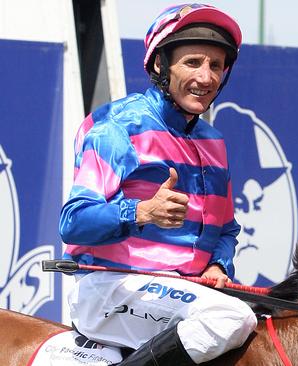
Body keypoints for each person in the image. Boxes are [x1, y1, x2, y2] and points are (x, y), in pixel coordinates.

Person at [59, 4, 257, 366]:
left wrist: (218, 266)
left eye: (216, 65)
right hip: (108, 290)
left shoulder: (215, 143)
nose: (207, 76)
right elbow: (73, 222)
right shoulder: (118, 128)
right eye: (193, 62)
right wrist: (143, 211)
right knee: (233, 318)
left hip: (183, 291)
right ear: (159, 66)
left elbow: (226, 229)